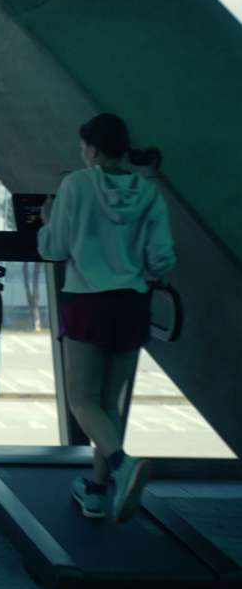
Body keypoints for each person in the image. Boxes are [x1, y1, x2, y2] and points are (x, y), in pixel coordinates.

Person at [37, 113, 175, 523]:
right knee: (109, 403)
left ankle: (121, 465)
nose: (83, 154)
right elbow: (162, 258)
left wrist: (47, 222)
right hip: (132, 304)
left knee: (82, 400)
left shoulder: (76, 185)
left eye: (84, 147)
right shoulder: (149, 193)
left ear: (93, 150)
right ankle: (96, 492)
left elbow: (54, 249)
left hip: (87, 303)